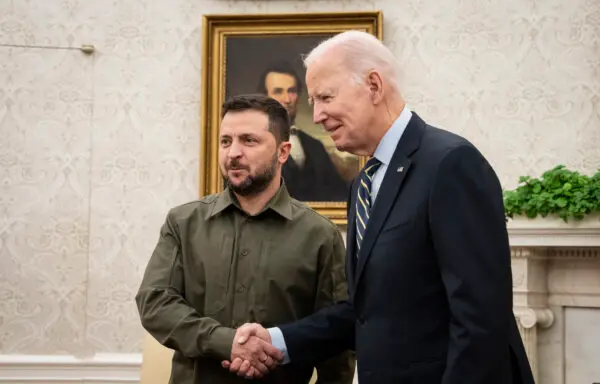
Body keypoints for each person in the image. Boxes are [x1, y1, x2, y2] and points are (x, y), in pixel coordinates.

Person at [223, 32, 535, 384]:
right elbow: (367, 310)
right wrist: (277, 340)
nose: (319, 114)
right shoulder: (363, 183)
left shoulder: (450, 163)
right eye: (313, 100)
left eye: (325, 97)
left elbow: (480, 318)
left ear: (373, 85)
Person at [135, 94, 355, 383]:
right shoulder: (183, 223)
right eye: (226, 141)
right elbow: (155, 304)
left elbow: (336, 339)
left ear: (283, 151)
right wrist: (228, 343)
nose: (233, 153)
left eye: (248, 141)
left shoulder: (320, 235)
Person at [257, 62, 349, 202]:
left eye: (292, 91)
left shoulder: (315, 146)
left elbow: (339, 196)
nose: (287, 99)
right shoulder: (252, 145)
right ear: (264, 98)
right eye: (278, 91)